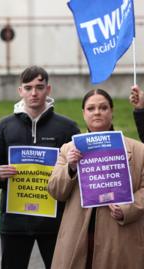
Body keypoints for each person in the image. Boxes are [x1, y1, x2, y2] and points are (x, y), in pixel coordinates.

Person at [0, 66, 80, 269]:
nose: (34, 93)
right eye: (28, 87)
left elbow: (77, 174)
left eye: (39, 87)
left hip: (55, 223)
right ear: (20, 91)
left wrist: (70, 171)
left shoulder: (67, 128)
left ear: (48, 89)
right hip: (14, 222)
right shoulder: (4, 127)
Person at [48, 89, 144, 269]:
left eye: (103, 107)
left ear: (112, 111)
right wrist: (70, 167)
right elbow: (55, 191)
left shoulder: (138, 150)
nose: (97, 112)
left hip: (120, 237)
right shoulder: (68, 149)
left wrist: (128, 208)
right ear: (83, 114)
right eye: (91, 108)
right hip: (78, 236)